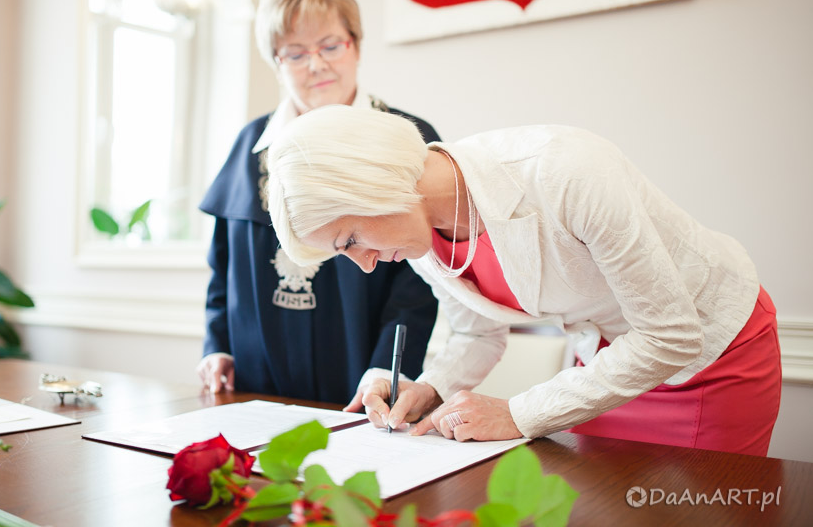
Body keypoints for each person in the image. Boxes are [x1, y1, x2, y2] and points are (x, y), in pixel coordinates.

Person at [265, 104, 781, 456]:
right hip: (606, 367)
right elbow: (476, 334)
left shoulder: (565, 171)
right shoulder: (416, 231)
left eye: (350, 239)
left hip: (712, 357)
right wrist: (430, 388)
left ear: (375, 184)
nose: (366, 263)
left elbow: (670, 335)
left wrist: (517, 413)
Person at [196, 0, 440, 408]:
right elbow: (222, 266)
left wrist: (388, 369)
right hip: (255, 383)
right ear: (276, 62)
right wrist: (218, 345)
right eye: (295, 53)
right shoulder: (250, 144)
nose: (316, 64)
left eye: (330, 45)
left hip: (365, 379)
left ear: (356, 46)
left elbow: (422, 281)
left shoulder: (408, 136)